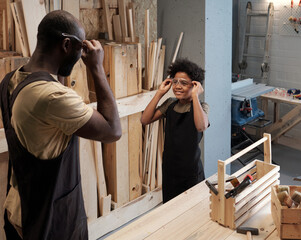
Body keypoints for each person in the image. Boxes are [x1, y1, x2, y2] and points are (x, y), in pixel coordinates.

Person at [0, 10, 121, 240]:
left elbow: (55, 93)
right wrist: (95, 67)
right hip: (49, 220)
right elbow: (112, 130)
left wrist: (66, 64)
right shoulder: (50, 97)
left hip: (19, 206)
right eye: (79, 47)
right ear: (66, 44)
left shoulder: (11, 80)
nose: (81, 54)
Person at [141, 58, 209, 203]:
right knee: (170, 206)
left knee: (191, 207)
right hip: (170, 167)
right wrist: (159, 93)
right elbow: (145, 120)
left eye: (184, 83)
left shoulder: (201, 107)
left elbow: (201, 126)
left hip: (190, 169)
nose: (178, 86)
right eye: (175, 82)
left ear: (195, 85)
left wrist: (195, 96)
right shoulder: (170, 104)